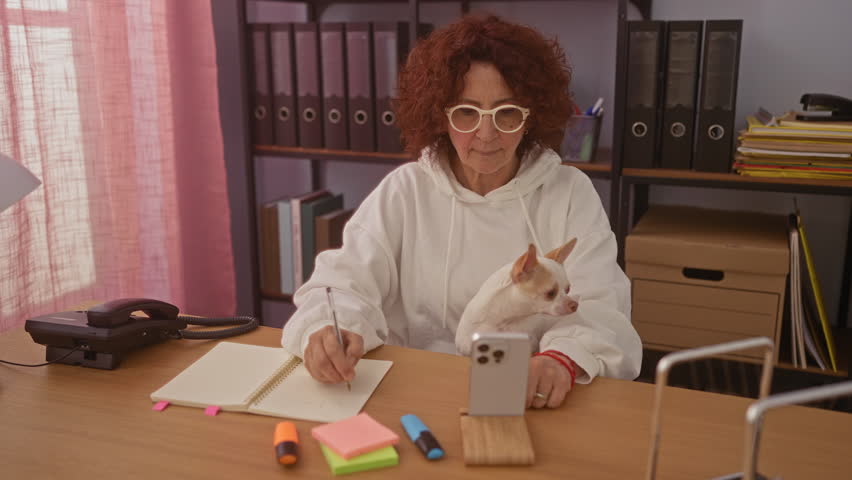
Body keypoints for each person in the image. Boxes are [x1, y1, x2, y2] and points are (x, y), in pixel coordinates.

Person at [281, 14, 642, 409]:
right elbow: (341, 286)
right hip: (413, 394)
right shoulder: (406, 190)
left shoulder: (569, 192)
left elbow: (602, 306)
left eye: (506, 113)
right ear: (440, 115)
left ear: (531, 116)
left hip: (526, 401)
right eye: (466, 113)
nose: (486, 136)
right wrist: (330, 333)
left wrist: (561, 360)